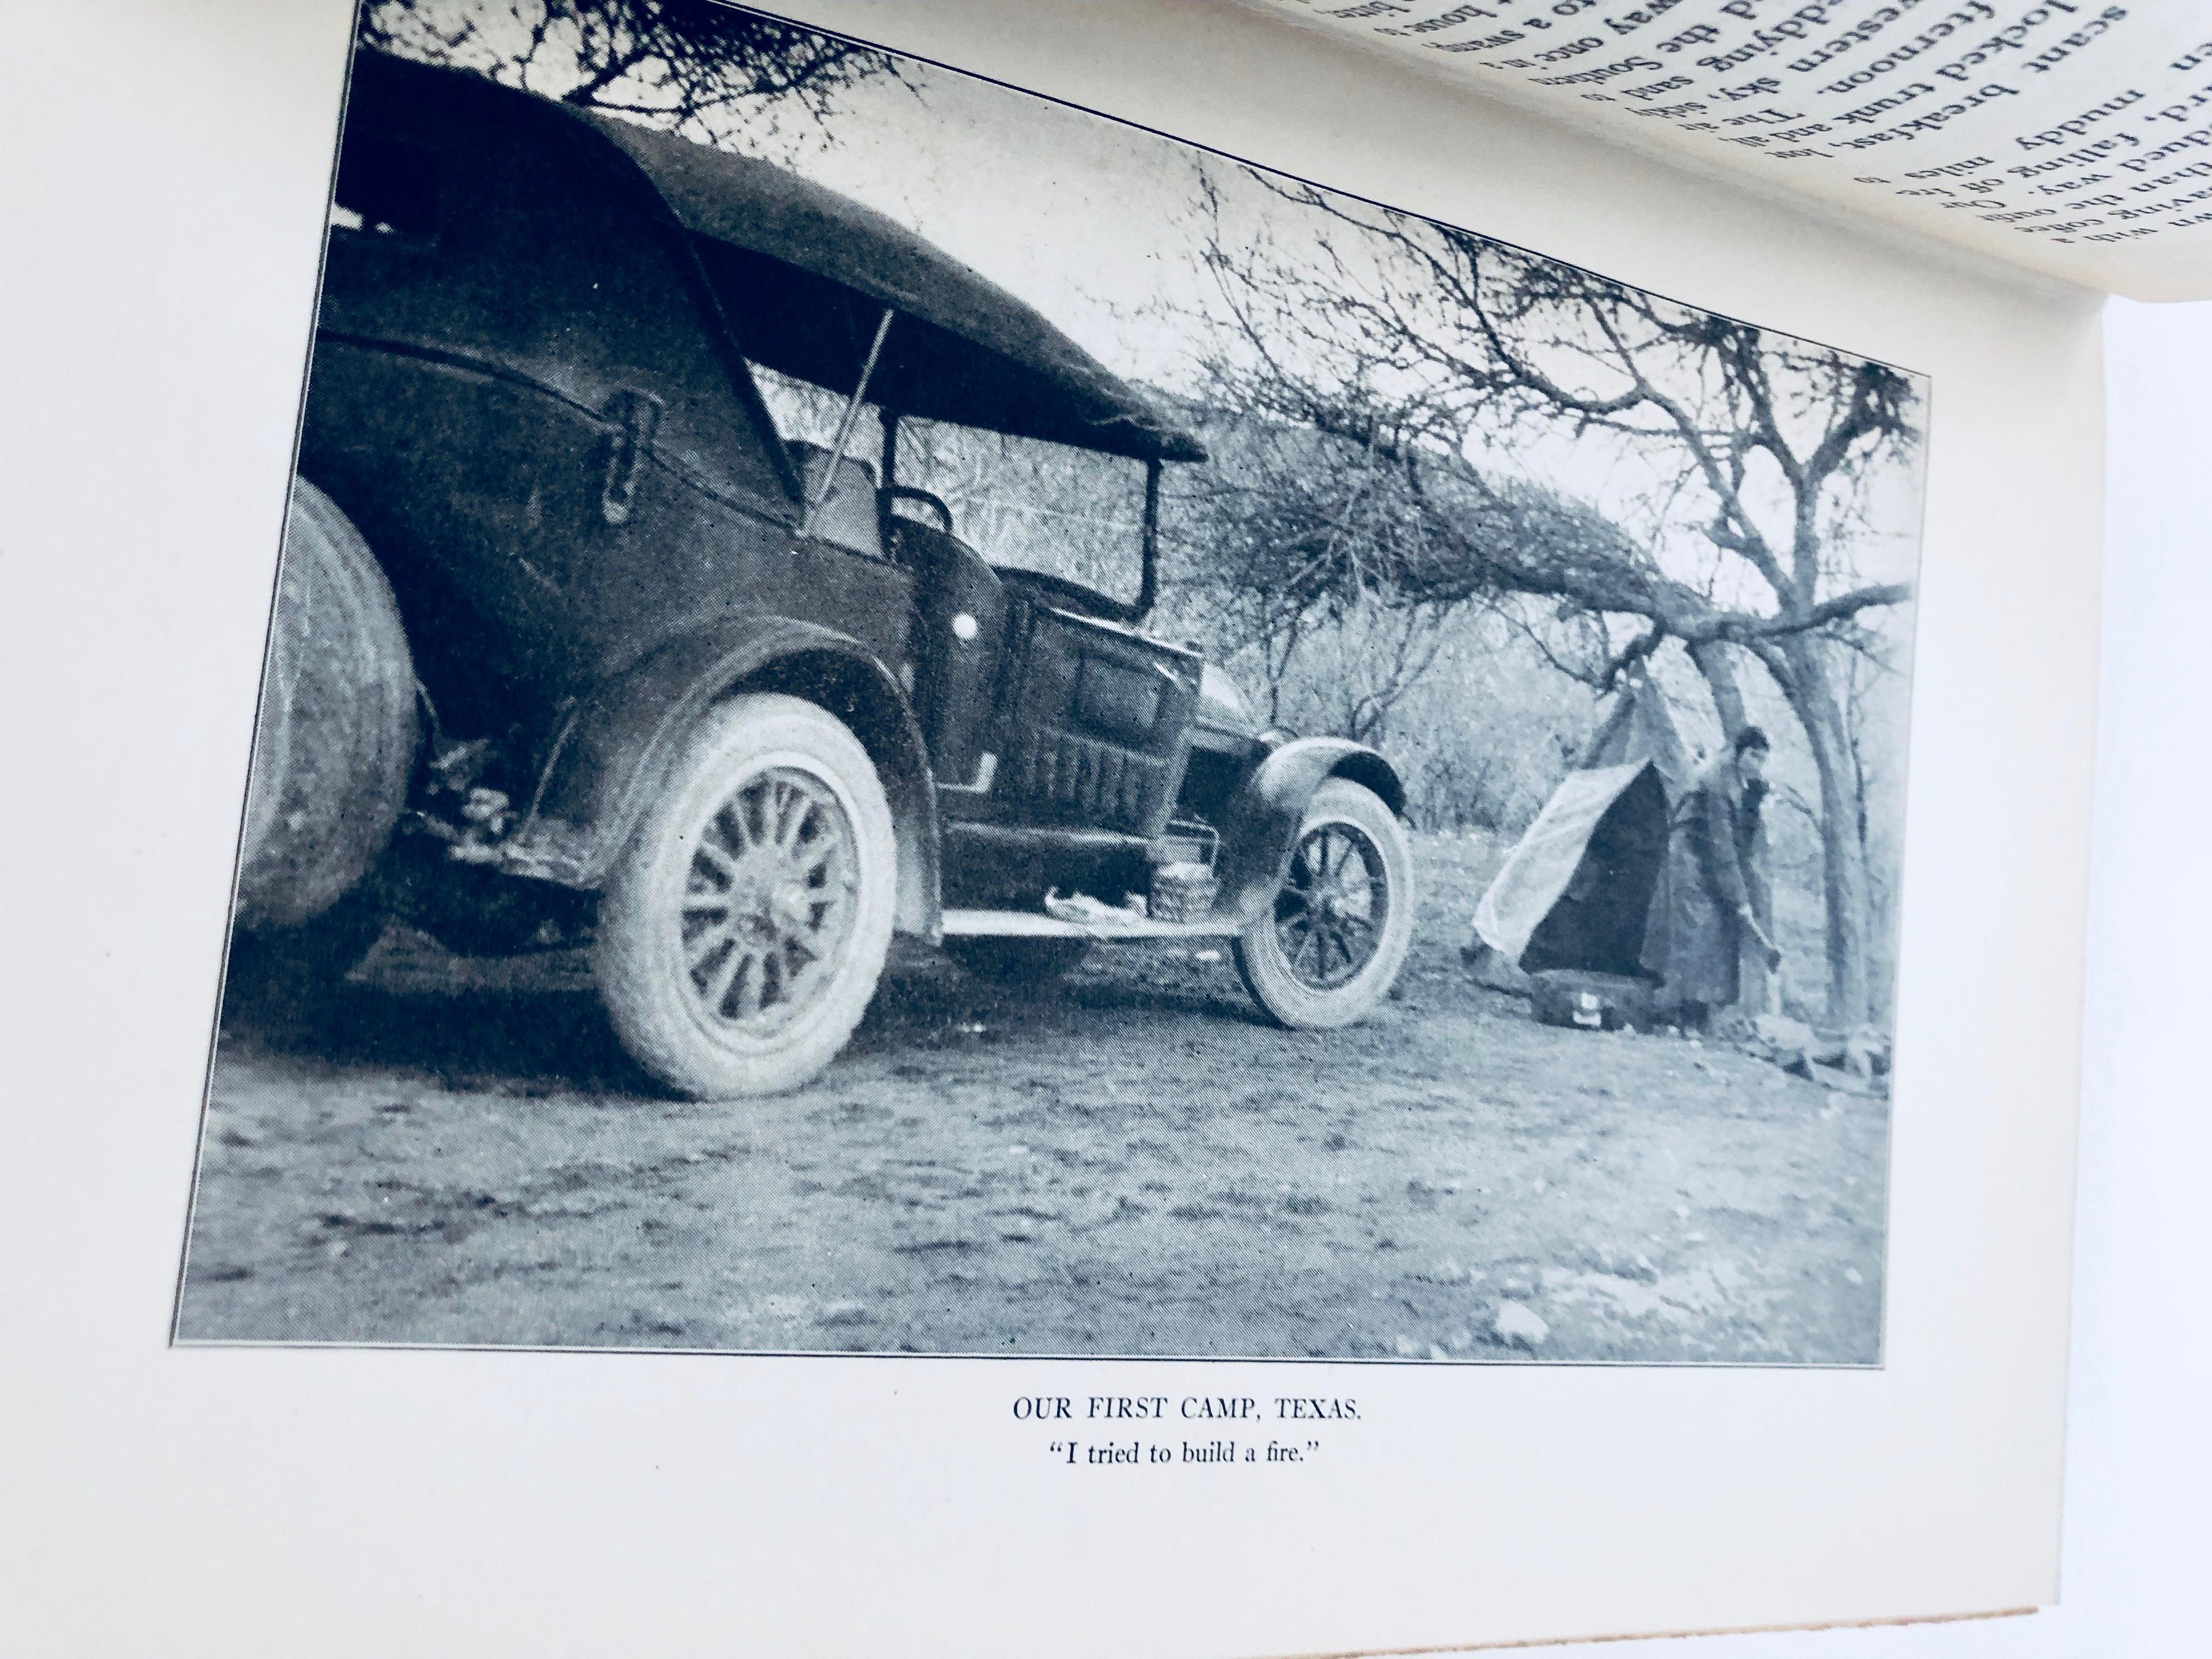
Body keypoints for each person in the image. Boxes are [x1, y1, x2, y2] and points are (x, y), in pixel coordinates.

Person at [1639, 725, 1781, 1032]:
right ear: (1738, 752)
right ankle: (1673, 1012)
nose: (1757, 764)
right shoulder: (1718, 780)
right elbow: (1723, 846)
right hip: (1690, 859)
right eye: (1753, 756)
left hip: (1708, 861)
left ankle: (1698, 1011)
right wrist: (1740, 899)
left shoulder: (1740, 784)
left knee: (1717, 933)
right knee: (1695, 932)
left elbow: (1741, 841)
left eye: (1762, 759)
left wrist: (1755, 801)